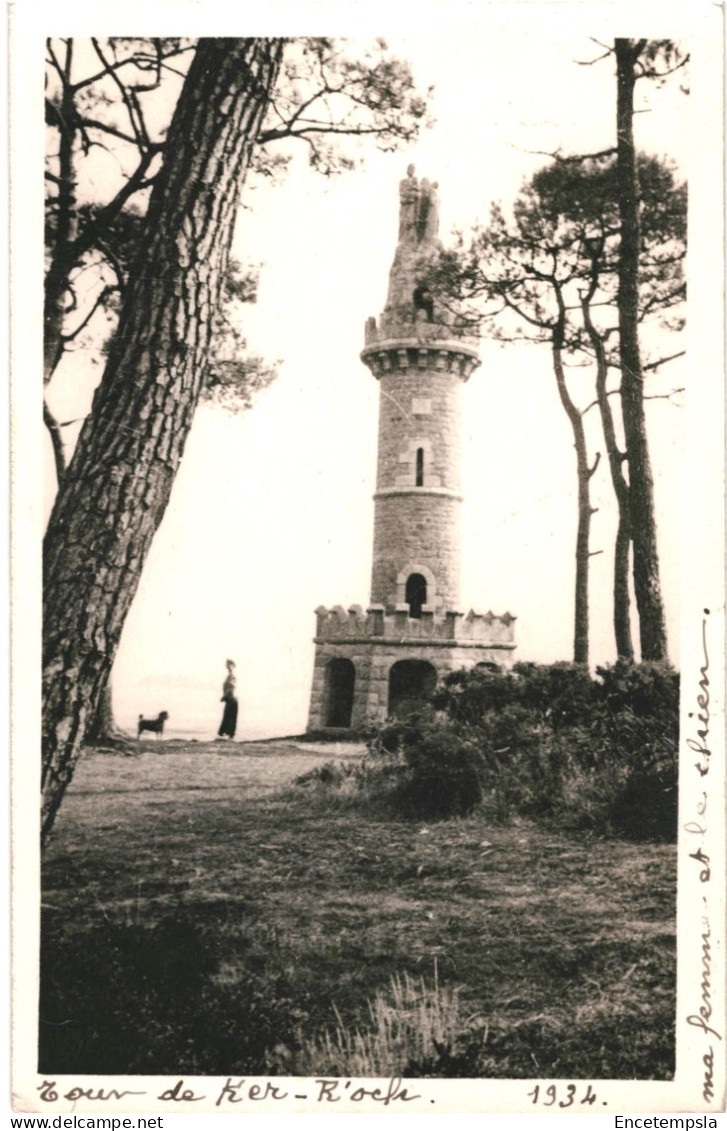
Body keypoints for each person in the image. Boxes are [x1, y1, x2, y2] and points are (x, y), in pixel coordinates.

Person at [217, 659, 238, 739]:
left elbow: (231, 688)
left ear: (233, 666)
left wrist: (224, 696)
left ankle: (229, 736)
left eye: (229, 665)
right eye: (227, 665)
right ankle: (227, 736)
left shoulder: (232, 676)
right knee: (227, 717)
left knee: (230, 717)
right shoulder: (228, 676)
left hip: (231, 698)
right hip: (229, 699)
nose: (228, 667)